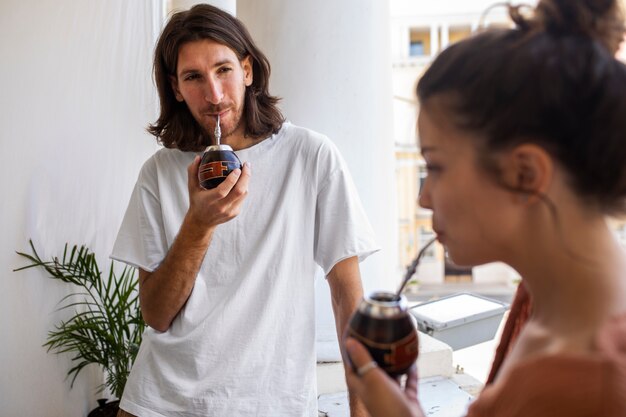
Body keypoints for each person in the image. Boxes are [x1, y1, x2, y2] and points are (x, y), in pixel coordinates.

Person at [345, 0, 626, 416]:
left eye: (436, 166)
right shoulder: (542, 301)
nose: (423, 198)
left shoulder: (586, 384)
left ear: (525, 173)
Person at [111, 4, 378, 417]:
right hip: (161, 404)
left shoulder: (309, 157)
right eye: (193, 77)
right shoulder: (159, 173)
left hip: (273, 403)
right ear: (176, 88)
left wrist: (363, 411)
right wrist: (199, 225)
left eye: (223, 70)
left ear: (248, 70)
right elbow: (156, 315)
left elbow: (348, 297)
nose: (214, 96)